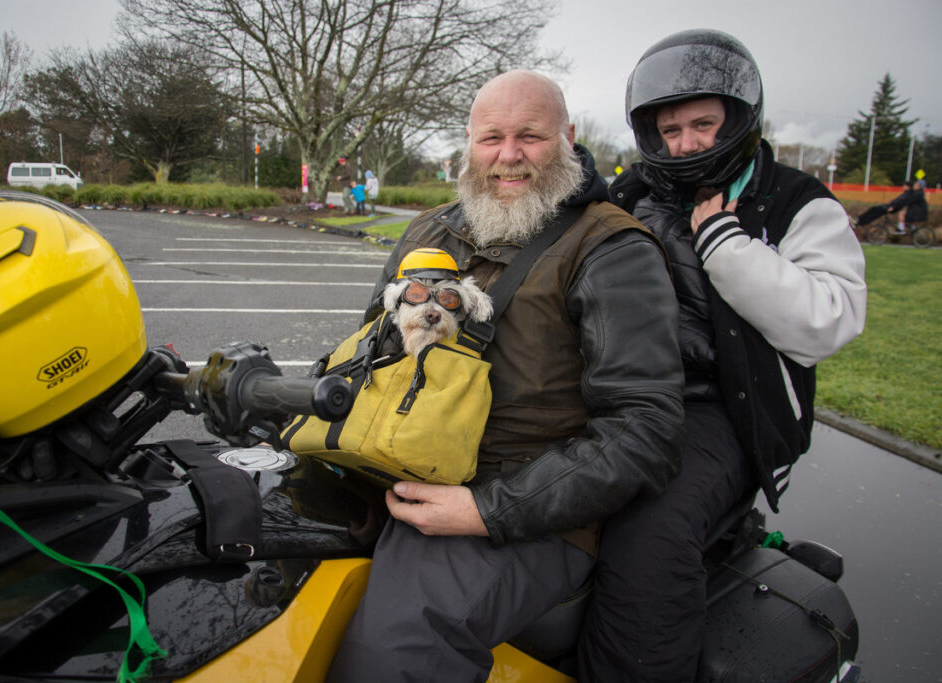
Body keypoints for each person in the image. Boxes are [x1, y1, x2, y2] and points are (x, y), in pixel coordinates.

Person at [326, 70, 685, 682]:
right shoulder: (428, 230)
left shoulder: (613, 249)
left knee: (400, 650)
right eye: (491, 137)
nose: (509, 156)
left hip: (523, 507)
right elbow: (365, 347)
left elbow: (644, 429)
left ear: (568, 138)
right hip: (389, 462)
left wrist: (487, 511)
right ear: (469, 142)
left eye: (531, 136)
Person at [576, 29, 867, 682]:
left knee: (646, 542)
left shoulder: (795, 200)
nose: (685, 143)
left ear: (737, 118)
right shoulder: (630, 192)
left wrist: (725, 241)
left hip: (719, 414)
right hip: (618, 389)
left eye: (702, 123)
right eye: (669, 128)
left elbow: (830, 321)